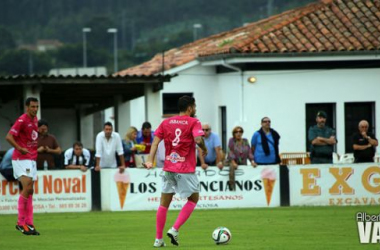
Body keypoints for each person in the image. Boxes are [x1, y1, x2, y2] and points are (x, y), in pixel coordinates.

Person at [143, 95, 207, 247]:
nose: (195, 109)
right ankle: (174, 229)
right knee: (193, 199)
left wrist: (149, 160)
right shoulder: (194, 122)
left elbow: (156, 142)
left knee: (164, 203)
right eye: (195, 106)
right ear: (190, 108)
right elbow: (198, 140)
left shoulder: (166, 122)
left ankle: (158, 239)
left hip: (169, 168)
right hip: (185, 169)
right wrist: (204, 148)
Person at [5, 97, 40, 235]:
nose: (35, 109)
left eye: (36, 107)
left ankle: (29, 223)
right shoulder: (22, 120)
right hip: (21, 158)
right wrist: (19, 148)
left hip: (31, 159)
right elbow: (9, 137)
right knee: (27, 188)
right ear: (27, 107)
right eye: (32, 107)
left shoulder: (35, 120)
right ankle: (20, 223)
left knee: (30, 190)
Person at [227, 126, 255, 190]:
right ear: (234, 133)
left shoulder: (245, 141)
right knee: (232, 166)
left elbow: (249, 152)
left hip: (243, 162)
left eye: (240, 131)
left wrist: (252, 162)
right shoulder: (231, 140)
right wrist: (233, 163)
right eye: (236, 132)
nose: (238, 133)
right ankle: (231, 186)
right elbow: (230, 152)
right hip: (232, 162)